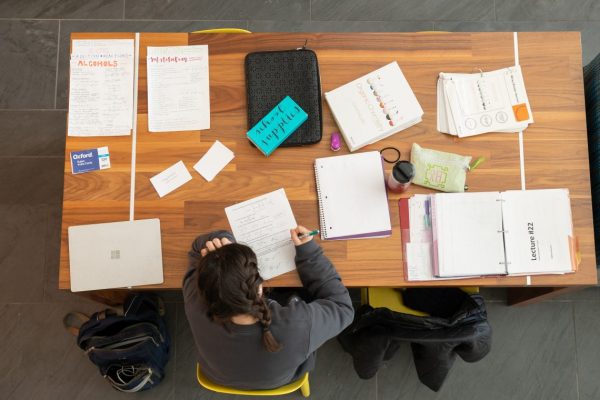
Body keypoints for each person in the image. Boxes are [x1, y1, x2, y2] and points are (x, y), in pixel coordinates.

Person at [183, 225, 354, 390]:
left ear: (204, 290)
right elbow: (343, 307)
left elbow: (196, 248)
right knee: (299, 296)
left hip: (218, 376)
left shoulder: (195, 304)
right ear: (259, 288)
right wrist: (310, 255)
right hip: (282, 380)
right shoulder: (298, 324)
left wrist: (222, 252)